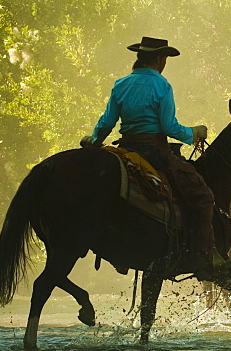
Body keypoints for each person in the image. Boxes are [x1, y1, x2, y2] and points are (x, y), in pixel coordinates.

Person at [82, 36, 221, 274]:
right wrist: (194, 133)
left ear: (140, 57)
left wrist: (94, 141)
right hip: (154, 152)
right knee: (202, 195)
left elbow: (107, 122)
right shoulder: (162, 85)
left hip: (126, 150)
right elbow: (169, 127)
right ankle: (201, 255)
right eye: (165, 58)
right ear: (159, 58)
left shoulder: (121, 84)